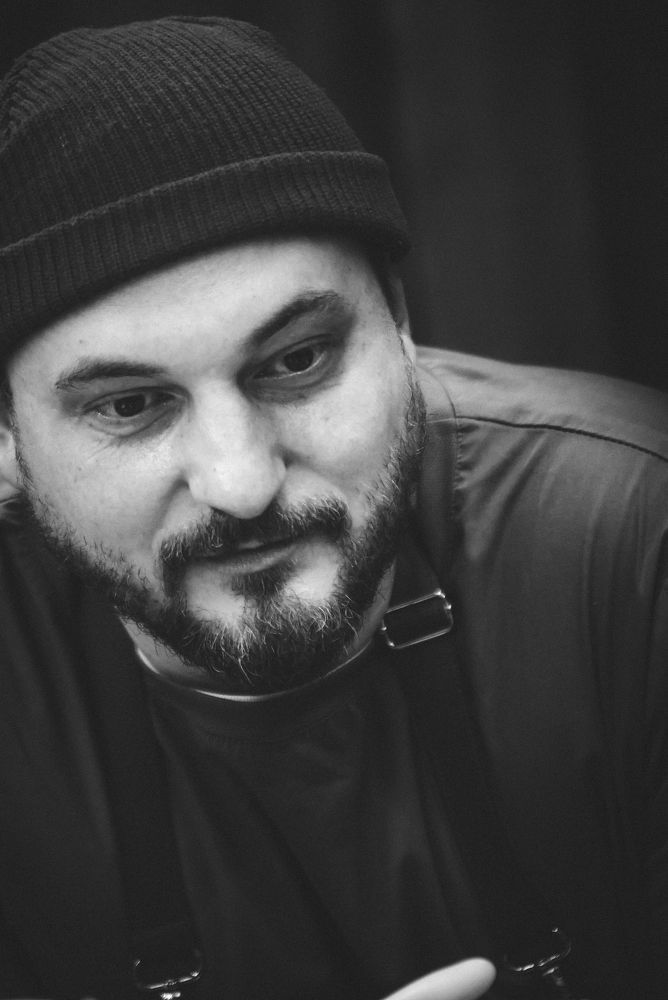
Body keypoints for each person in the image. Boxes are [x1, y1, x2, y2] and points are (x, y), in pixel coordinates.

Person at [0, 16, 665, 1000]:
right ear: (8, 433)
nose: (240, 482)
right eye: (130, 405)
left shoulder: (631, 536)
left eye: (298, 359)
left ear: (400, 323)